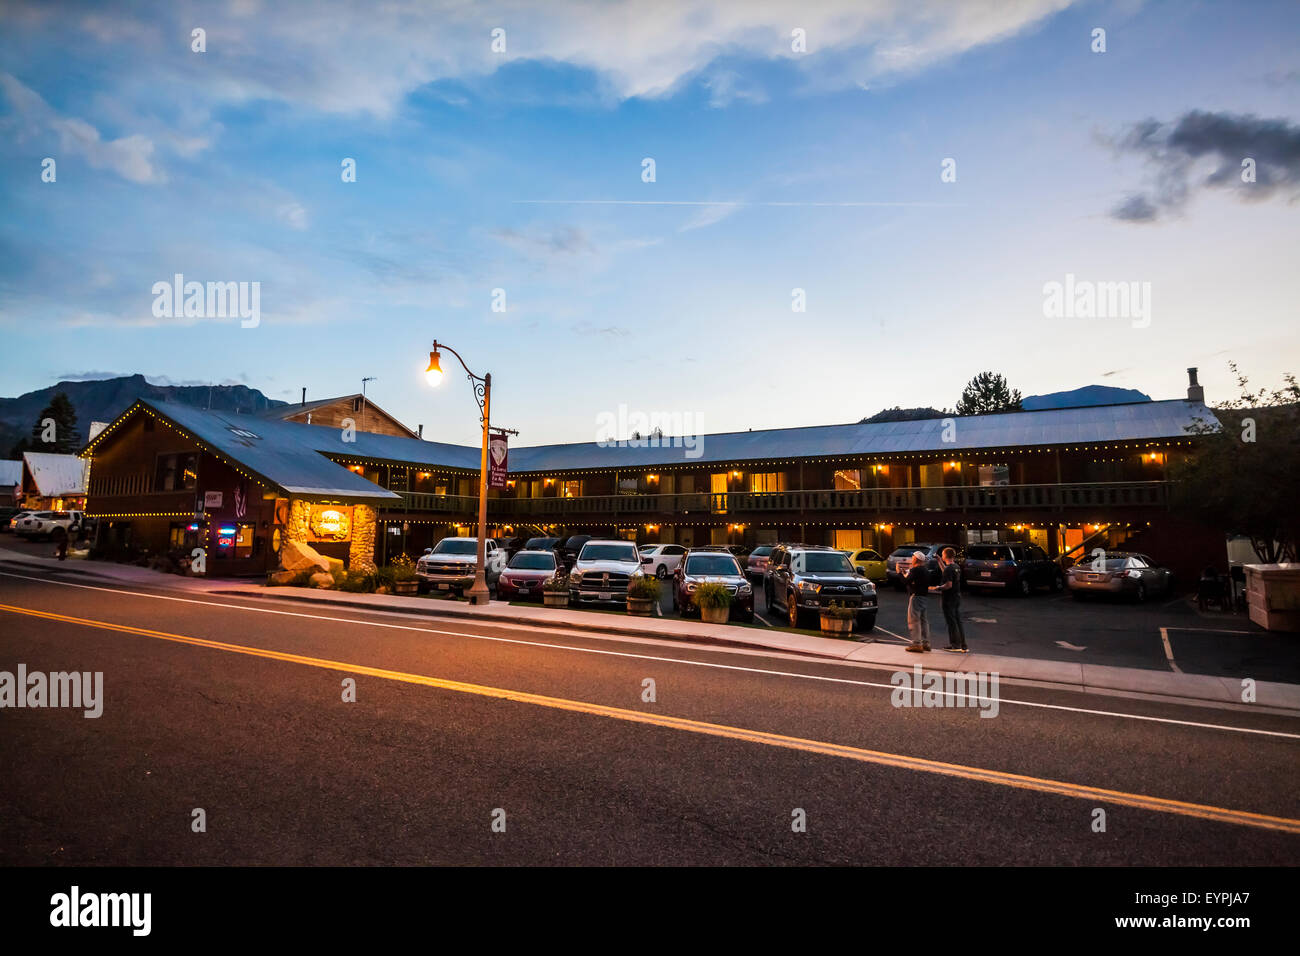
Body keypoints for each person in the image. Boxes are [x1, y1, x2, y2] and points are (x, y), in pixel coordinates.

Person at [930, 546, 968, 652]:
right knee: (957, 621)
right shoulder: (955, 566)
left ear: (946, 555)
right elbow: (946, 572)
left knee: (951, 622)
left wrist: (938, 588)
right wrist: (938, 560)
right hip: (956, 597)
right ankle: (963, 644)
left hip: (948, 598)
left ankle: (955, 645)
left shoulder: (949, 569)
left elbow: (948, 585)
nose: (941, 556)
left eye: (942, 554)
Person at [904, 551, 931, 653]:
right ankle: (926, 643)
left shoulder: (915, 570)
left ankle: (916, 644)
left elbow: (906, 582)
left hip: (915, 597)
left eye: (912, 557)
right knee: (924, 621)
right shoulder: (926, 570)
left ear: (916, 559)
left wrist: (899, 573)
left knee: (914, 620)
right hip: (924, 597)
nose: (911, 558)